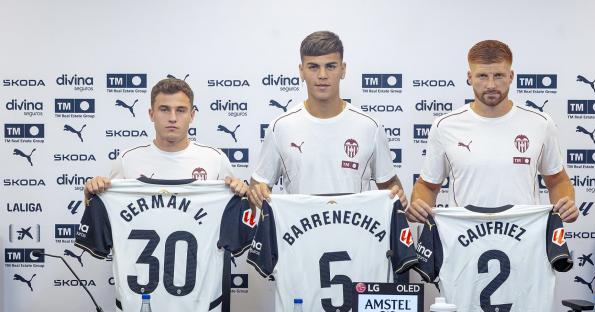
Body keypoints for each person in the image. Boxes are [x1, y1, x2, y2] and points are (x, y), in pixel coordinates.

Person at [406, 40, 578, 223]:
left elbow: (557, 180)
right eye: (482, 76)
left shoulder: (540, 123)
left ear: (511, 76)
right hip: (464, 239)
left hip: (525, 239)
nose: (491, 85)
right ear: (470, 77)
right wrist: (419, 205)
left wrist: (565, 204)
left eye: (498, 75)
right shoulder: (445, 125)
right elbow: (428, 186)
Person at [248, 30, 406, 206]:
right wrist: (257, 192)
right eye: (313, 66)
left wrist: (397, 193)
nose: (322, 75)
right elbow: (258, 186)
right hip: (298, 232)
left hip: (355, 232)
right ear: (301, 71)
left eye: (330, 66)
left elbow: (389, 185)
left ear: (343, 69)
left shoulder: (369, 127)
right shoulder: (281, 127)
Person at [84, 78, 247, 199]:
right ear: (151, 114)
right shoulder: (127, 160)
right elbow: (108, 213)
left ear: (192, 116)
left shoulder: (215, 159)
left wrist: (242, 193)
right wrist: (91, 194)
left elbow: (235, 216)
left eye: (181, 110)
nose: (173, 118)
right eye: (164, 109)